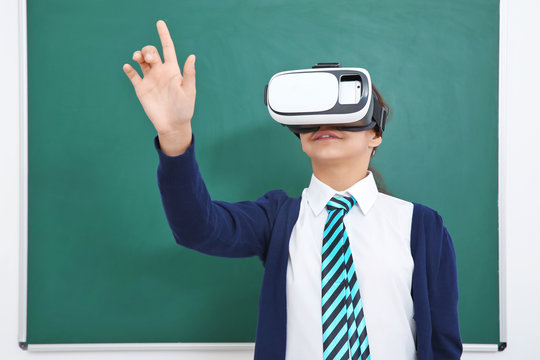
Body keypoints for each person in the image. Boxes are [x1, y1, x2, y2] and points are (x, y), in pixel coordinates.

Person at [123, 20, 462, 360]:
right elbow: (197, 228)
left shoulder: (422, 227)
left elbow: (443, 344)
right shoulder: (277, 218)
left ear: (376, 134)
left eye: (344, 110)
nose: (325, 123)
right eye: (312, 113)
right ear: (300, 137)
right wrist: (175, 134)